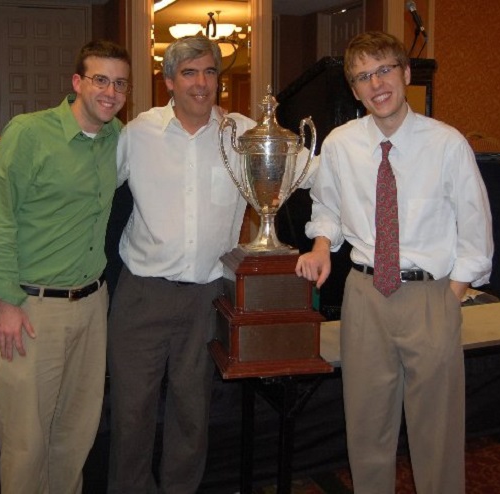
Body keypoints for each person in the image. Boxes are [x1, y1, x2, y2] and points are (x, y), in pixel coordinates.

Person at [107, 35, 315, 494]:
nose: (201, 83)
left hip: (206, 298)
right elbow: (93, 185)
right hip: (142, 295)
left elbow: (313, 170)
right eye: (189, 73)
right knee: (130, 415)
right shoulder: (138, 133)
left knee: (191, 415)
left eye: (210, 73)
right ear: (168, 81)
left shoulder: (244, 134)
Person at [295, 31, 493, 494]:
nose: (376, 83)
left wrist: (451, 296)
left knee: (437, 432)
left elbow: (477, 231)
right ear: (354, 89)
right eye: (363, 76)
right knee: (366, 428)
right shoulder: (341, 145)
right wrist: (323, 245)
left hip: (431, 297)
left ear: (405, 74)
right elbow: (326, 207)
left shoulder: (447, 144)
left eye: (384, 69)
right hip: (364, 297)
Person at [0, 40, 131, 494]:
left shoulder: (116, 138)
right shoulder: (28, 133)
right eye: (100, 79)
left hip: (91, 303)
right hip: (32, 309)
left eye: (120, 83)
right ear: (77, 83)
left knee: (75, 435)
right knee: (26, 442)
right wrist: (5, 301)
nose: (110, 91)